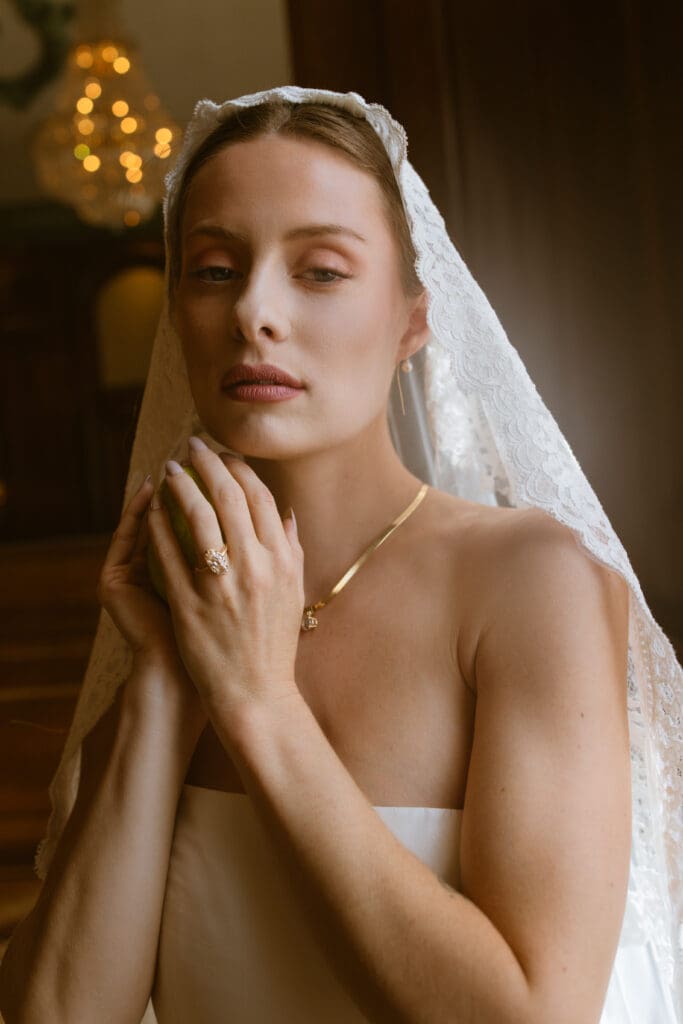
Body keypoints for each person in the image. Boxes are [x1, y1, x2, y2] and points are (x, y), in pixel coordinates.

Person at [0, 85, 680, 1024]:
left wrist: (256, 700)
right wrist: (165, 679)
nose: (254, 313)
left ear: (411, 322)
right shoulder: (175, 617)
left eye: (319, 270)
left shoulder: (531, 582)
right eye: (211, 269)